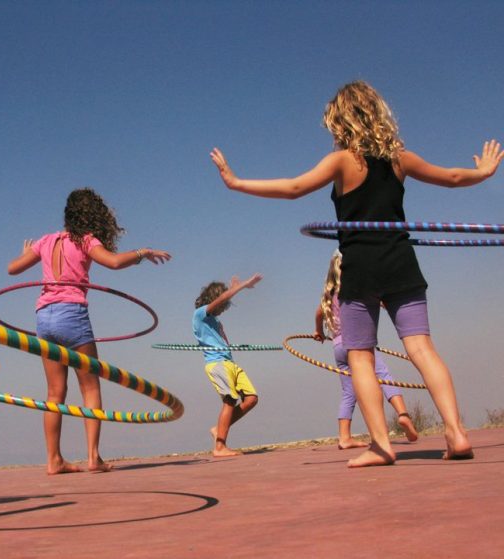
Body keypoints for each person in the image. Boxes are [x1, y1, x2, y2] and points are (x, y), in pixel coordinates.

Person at [210, 80, 503, 467]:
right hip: (401, 260)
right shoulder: (400, 158)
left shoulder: (342, 161)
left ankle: (382, 446)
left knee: (360, 356)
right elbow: (450, 177)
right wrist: (482, 172)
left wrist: (236, 183)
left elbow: (294, 187)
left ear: (340, 122)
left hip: (360, 267)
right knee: (422, 348)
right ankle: (457, 432)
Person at [7, 187, 171, 474]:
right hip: (72, 313)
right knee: (91, 386)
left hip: (44, 317)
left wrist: (23, 254)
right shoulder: (85, 240)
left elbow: (12, 269)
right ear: (92, 214)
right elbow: (114, 262)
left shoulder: (46, 241)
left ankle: (53, 460)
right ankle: (94, 457)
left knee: (55, 392)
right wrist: (143, 252)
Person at [313, 250, 418, 449]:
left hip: (338, 348)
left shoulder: (329, 295)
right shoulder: (358, 289)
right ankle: (403, 414)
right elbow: (383, 303)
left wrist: (318, 332)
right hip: (358, 345)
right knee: (383, 375)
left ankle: (344, 437)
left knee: (349, 391)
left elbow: (318, 314)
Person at [193, 274, 262, 457]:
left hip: (229, 362)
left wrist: (234, 291)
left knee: (251, 399)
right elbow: (221, 298)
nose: (224, 309)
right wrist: (240, 287)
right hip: (216, 363)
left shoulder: (216, 322)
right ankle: (220, 446)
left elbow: (224, 342)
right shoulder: (200, 314)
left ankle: (218, 429)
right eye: (223, 305)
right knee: (230, 401)